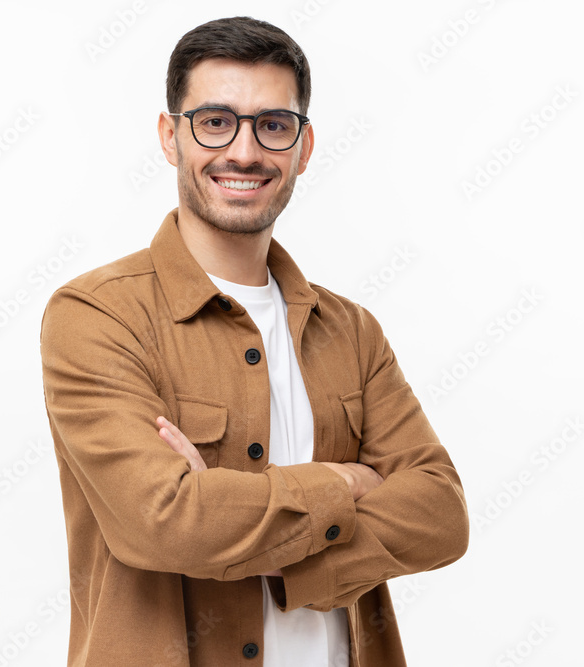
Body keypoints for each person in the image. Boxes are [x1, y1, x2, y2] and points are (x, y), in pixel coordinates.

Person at [39, 16, 469, 666]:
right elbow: (164, 523)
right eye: (215, 121)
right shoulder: (97, 314)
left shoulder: (351, 330)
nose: (243, 151)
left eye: (272, 125)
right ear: (169, 136)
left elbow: (441, 512)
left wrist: (236, 519)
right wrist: (341, 480)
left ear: (303, 145)